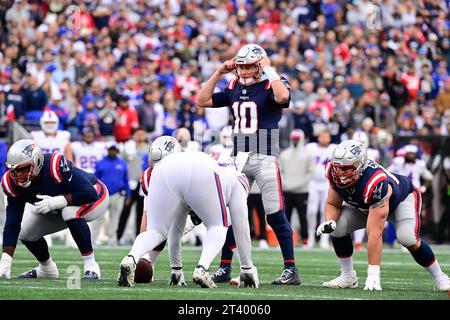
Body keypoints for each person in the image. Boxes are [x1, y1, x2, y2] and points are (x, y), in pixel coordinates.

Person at [196, 43, 299, 285]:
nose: (243, 72)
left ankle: (291, 269)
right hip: (239, 157)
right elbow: (202, 100)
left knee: (274, 213)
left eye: (249, 67)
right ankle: (224, 267)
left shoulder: (272, 82)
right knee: (233, 213)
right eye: (240, 66)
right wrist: (218, 73)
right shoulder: (232, 85)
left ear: (260, 65)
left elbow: (282, 97)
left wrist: (269, 69)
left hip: (265, 155)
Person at [117, 136, 258, 288]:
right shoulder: (237, 179)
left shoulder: (152, 171)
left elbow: (175, 228)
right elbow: (241, 229)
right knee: (218, 226)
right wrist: (247, 268)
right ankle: (202, 268)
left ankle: (131, 257)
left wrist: (176, 270)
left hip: (164, 174)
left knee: (157, 231)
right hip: (201, 170)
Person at [316, 140, 450, 291]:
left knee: (408, 238)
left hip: (402, 200)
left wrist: (373, 274)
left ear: (360, 165)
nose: (339, 172)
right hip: (368, 206)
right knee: (337, 228)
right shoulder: (333, 171)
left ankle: (440, 277)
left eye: (346, 168)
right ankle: (348, 277)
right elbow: (333, 203)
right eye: (337, 167)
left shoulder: (375, 182)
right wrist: (331, 221)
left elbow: (375, 233)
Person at [0, 139, 109, 280]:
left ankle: (91, 266)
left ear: (37, 162)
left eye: (23, 169)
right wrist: (6, 260)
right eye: (13, 170)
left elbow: (89, 193)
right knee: (26, 233)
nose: (17, 175)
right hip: (58, 207)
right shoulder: (11, 184)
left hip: (95, 195)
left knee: (69, 212)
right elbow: (12, 223)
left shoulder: (55, 166)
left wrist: (59, 201)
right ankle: (47, 269)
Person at [279, 129, 315, 247]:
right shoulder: (285, 154)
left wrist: (299, 184)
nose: (295, 141)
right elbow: (280, 171)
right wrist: (285, 184)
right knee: (285, 217)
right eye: (293, 138)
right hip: (287, 190)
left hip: (302, 191)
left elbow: (310, 172)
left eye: (297, 139)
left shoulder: (307, 154)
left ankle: (305, 239)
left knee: (302, 216)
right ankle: (285, 241)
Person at [91, 142, 131, 246]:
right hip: (102, 194)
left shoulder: (122, 163)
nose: (112, 151)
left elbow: (126, 179)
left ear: (117, 150)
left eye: (114, 149)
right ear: (107, 150)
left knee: (115, 218)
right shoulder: (100, 162)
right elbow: (95, 179)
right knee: (98, 217)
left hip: (117, 194)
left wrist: (128, 194)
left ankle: (112, 240)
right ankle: (93, 239)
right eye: (110, 149)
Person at [305, 129, 336, 249]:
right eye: (321, 136)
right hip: (312, 182)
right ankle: (310, 238)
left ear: (329, 138)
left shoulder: (334, 148)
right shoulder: (310, 147)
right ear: (318, 137)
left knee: (325, 211)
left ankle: (324, 239)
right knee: (311, 211)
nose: (323, 139)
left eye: (326, 136)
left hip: (327, 183)